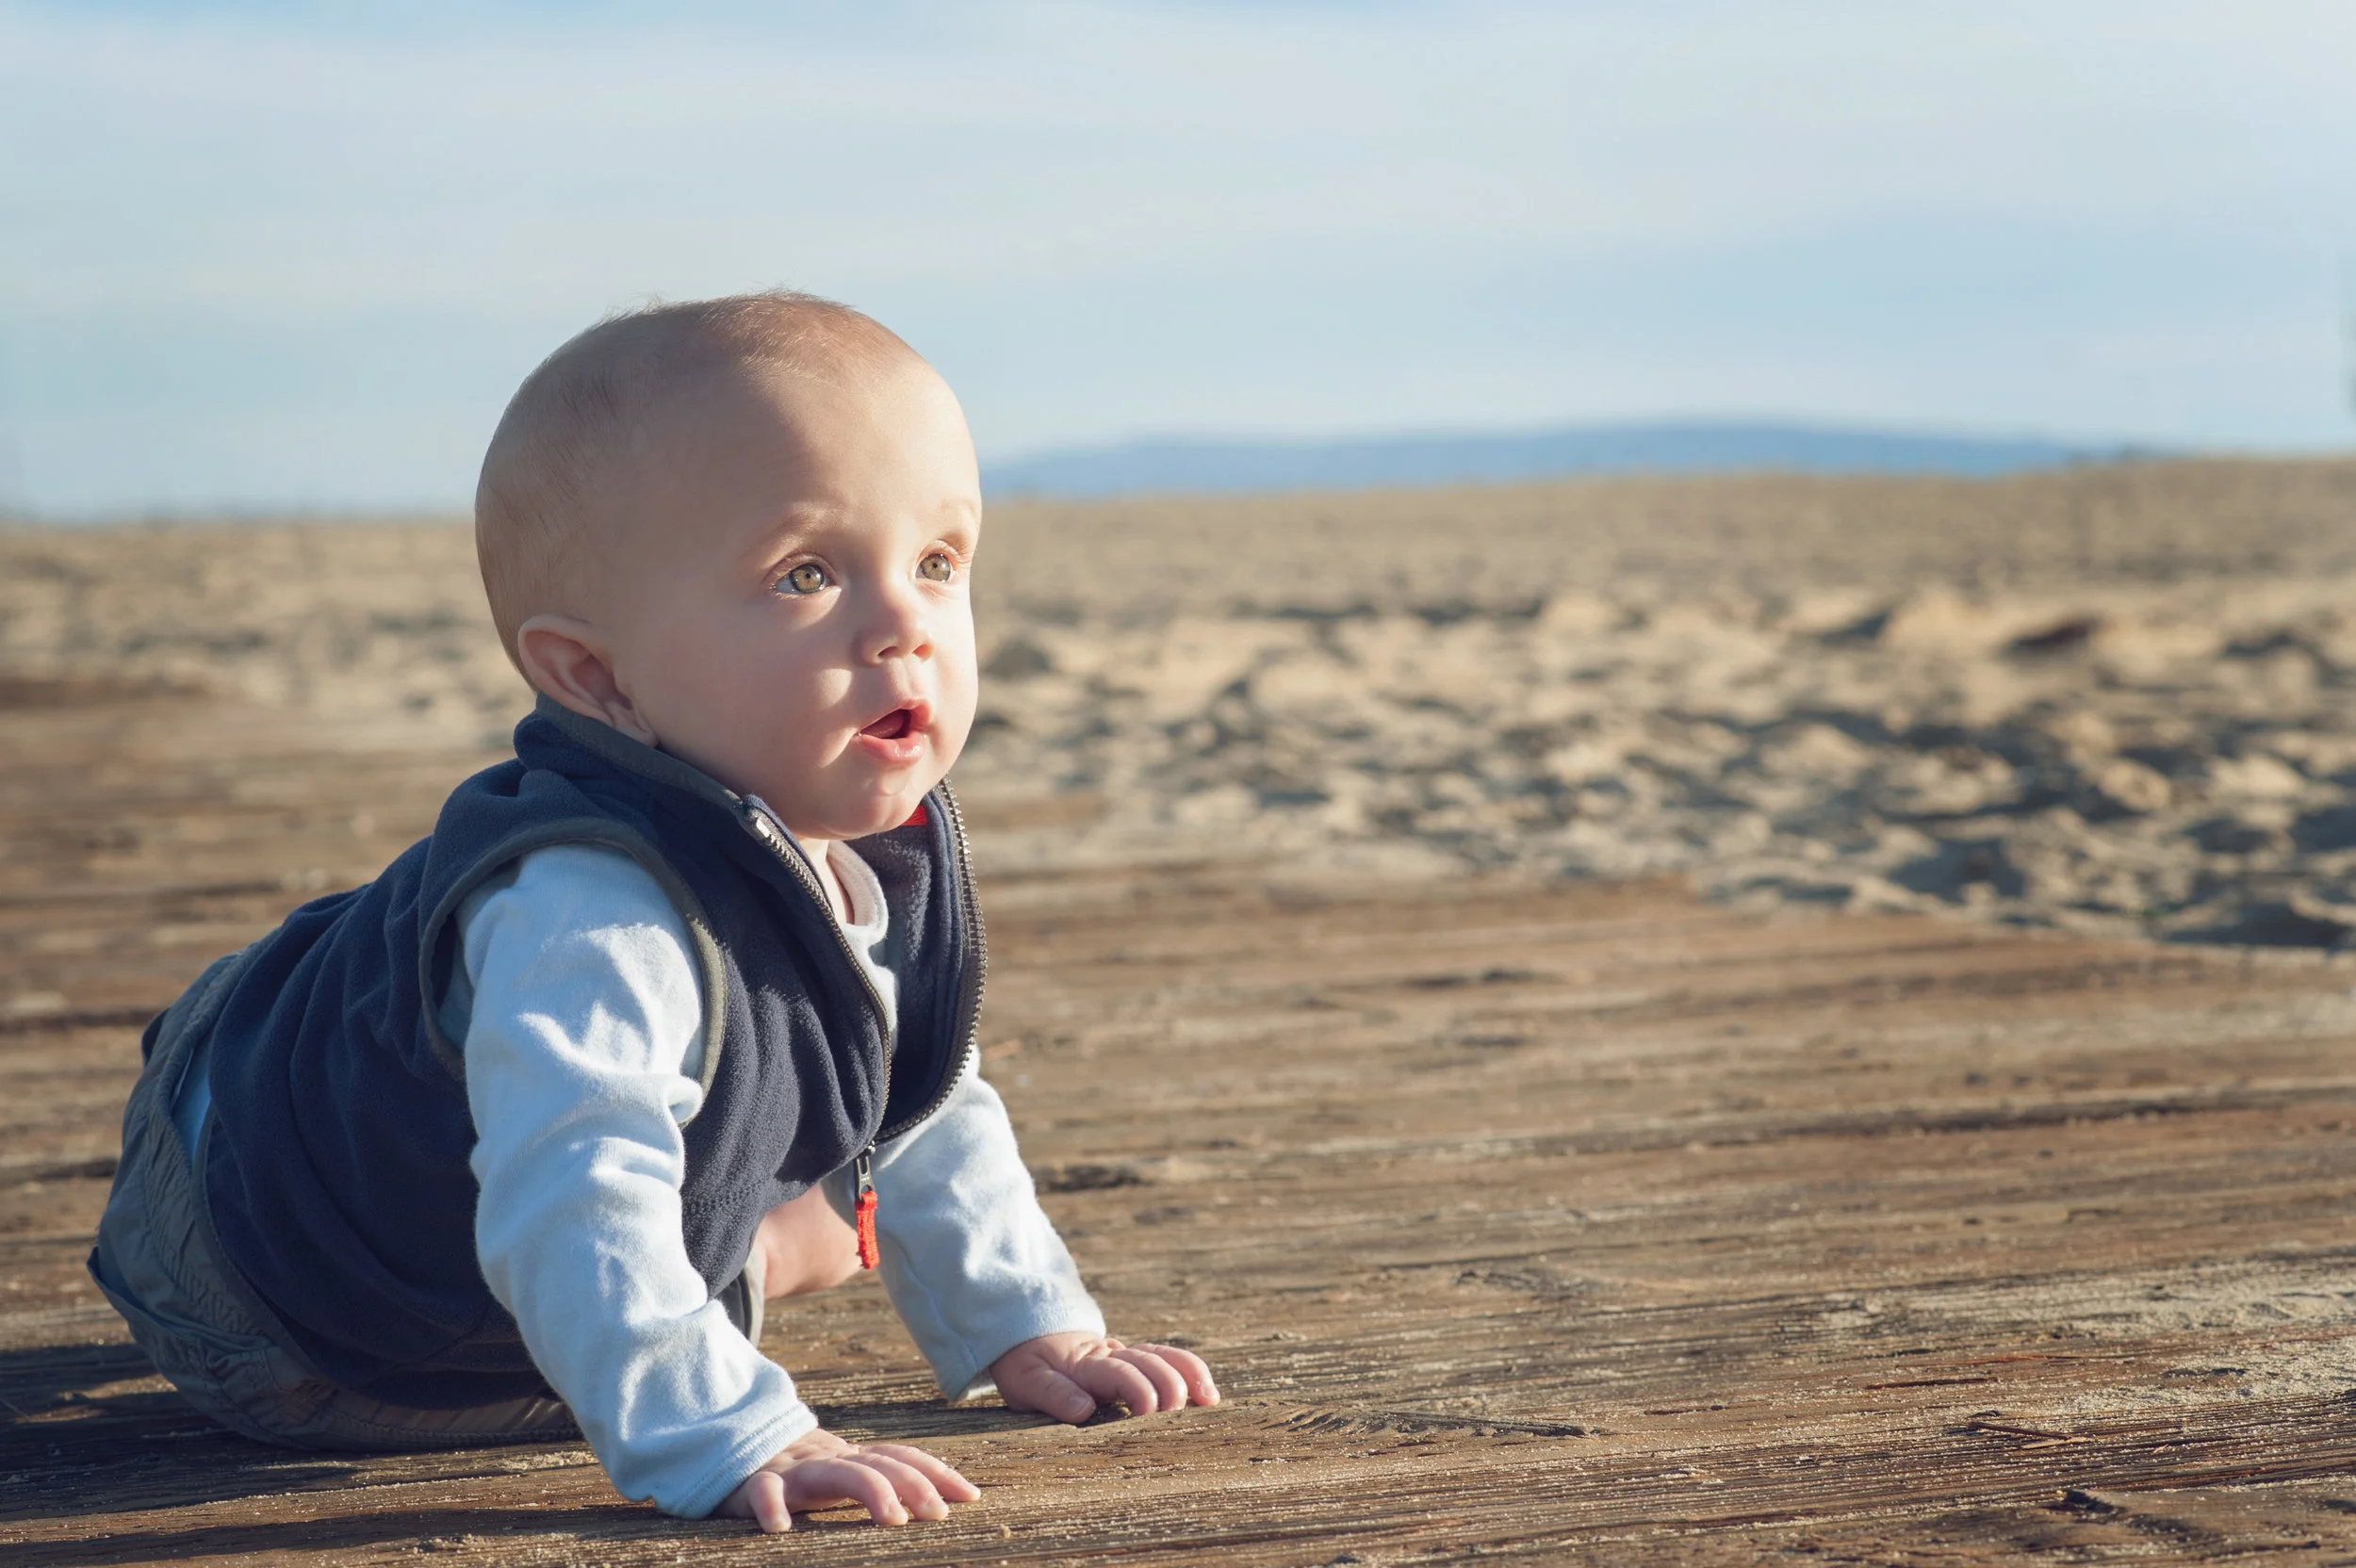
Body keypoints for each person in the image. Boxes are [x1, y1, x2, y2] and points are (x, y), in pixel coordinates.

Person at [87, 291, 1219, 1531]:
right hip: (277, 1289)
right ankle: (744, 1249)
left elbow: (920, 1091)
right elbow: (573, 1195)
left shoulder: (857, 841)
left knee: (609, 1185)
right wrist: (730, 1437)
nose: (905, 624)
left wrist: (1027, 1326)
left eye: (940, 563)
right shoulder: (594, 914)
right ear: (597, 676)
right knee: (545, 1153)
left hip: (469, 1256)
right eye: (806, 575)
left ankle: (740, 1245)